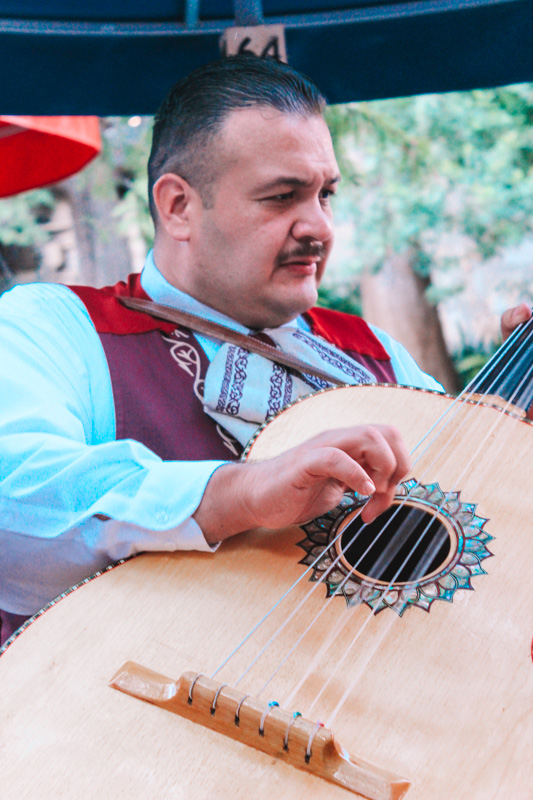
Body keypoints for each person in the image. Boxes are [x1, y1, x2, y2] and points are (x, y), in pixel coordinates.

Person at [0, 55, 530, 646]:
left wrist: (514, 433)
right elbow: (15, 498)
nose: (320, 226)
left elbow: (480, 518)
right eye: (283, 197)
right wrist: (241, 492)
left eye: (326, 194)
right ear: (178, 206)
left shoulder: (374, 355)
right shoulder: (56, 324)